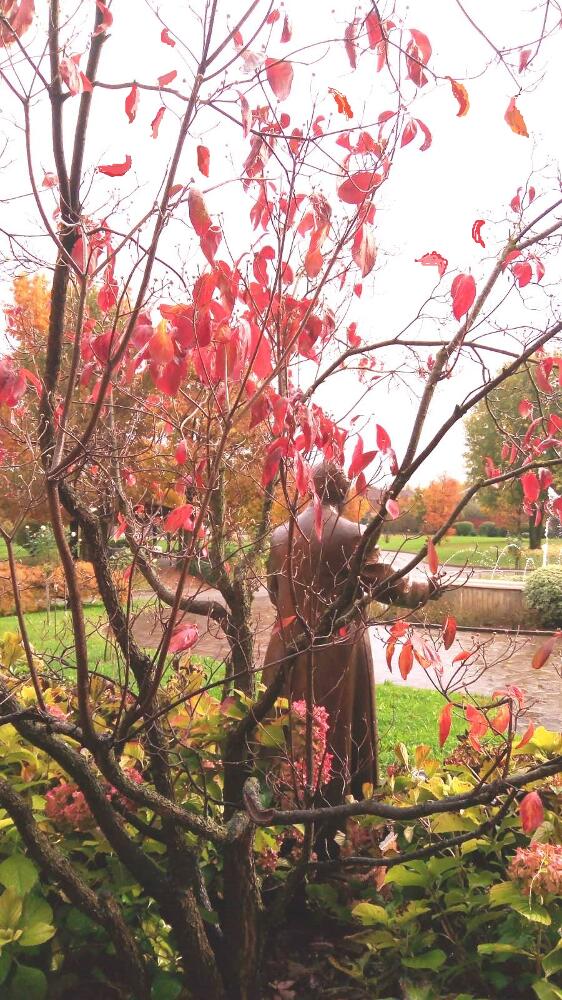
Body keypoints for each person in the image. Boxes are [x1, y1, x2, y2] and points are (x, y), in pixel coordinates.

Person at [262, 461, 442, 808]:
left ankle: (282, 813)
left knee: (284, 735)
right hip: (338, 656)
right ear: (343, 493)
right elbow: (390, 587)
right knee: (338, 737)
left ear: (308, 489)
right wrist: (427, 589)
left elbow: (275, 591)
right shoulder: (353, 534)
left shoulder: (279, 535)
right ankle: (336, 818)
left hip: (286, 649)